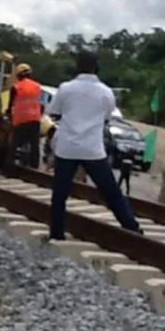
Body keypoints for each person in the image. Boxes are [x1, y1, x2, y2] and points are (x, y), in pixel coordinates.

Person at [47, 52, 141, 240]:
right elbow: (107, 117)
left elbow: (54, 113)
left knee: (60, 194)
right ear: (96, 68)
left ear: (77, 67)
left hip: (67, 148)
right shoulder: (106, 92)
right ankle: (132, 228)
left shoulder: (65, 88)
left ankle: (56, 232)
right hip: (92, 149)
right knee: (112, 192)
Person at [6, 63, 44, 169]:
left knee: (14, 145)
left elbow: (10, 105)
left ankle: (9, 168)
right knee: (34, 146)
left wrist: (8, 113)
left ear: (18, 75)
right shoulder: (37, 86)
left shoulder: (16, 87)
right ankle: (35, 168)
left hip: (21, 120)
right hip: (35, 119)